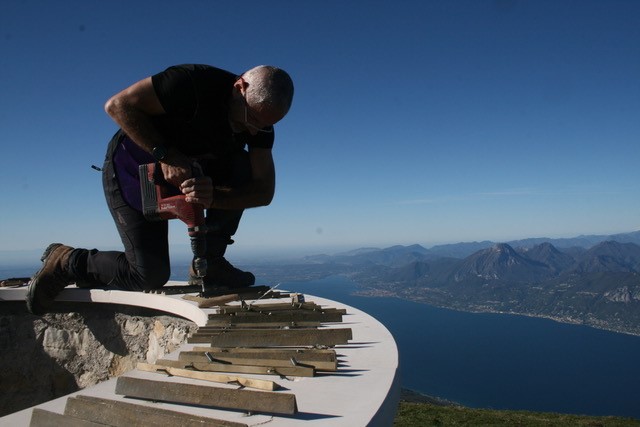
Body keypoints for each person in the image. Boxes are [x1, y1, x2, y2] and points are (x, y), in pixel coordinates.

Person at [26, 64, 294, 315]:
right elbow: (118, 106)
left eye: (265, 125)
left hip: (192, 170)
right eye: (252, 117)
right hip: (133, 167)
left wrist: (213, 197)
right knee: (146, 276)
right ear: (240, 88)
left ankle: (209, 262)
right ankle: (67, 261)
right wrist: (166, 155)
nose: (253, 129)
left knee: (242, 168)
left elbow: (262, 191)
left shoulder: (260, 126)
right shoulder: (192, 83)